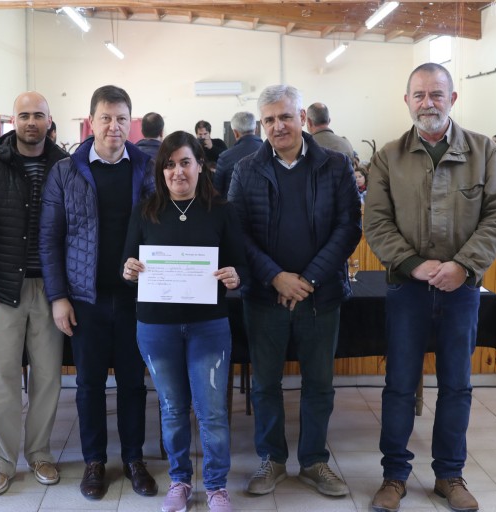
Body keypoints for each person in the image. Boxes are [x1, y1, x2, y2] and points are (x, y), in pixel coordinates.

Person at [364, 63, 496, 512]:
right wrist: (413, 265)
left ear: (452, 99)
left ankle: (449, 475)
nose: (427, 103)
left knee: (456, 386)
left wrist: (464, 267)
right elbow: (376, 221)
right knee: (399, 385)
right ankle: (394, 477)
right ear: (407, 101)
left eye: (436, 94)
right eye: (419, 95)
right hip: (407, 290)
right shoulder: (388, 157)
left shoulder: (485, 152)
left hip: (462, 291)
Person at [228, 84, 361, 498]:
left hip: (321, 296)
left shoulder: (336, 165)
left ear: (302, 118)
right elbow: (237, 233)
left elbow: (348, 227)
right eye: (269, 119)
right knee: (265, 384)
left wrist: (309, 279)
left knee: (319, 384)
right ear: (261, 124)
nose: (278, 126)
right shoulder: (246, 170)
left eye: (285, 116)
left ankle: (314, 461)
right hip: (264, 296)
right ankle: (272, 459)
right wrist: (275, 277)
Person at [40, 85, 158, 501]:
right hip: (84, 299)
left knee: (132, 383)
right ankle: (94, 461)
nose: (114, 126)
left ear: (131, 122)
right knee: (89, 384)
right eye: (106, 118)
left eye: (121, 118)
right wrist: (58, 297)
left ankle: (134, 459)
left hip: (134, 298)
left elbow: (161, 228)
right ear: (91, 121)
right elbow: (49, 238)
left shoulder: (146, 168)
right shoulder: (66, 170)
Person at [122, 130, 246, 512]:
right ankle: (179, 481)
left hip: (208, 326)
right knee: (173, 409)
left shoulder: (221, 211)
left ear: (200, 166)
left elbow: (239, 265)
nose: (177, 171)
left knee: (212, 412)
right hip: (156, 328)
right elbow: (127, 265)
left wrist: (235, 276)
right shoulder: (145, 211)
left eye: (185, 163)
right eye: (170, 164)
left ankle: (216, 486)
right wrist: (128, 270)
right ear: (161, 170)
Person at [0, 92, 68, 496]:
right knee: (2, 376)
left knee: (48, 376)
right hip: (3, 288)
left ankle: (39, 452)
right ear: (13, 120)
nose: (31, 122)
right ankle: (3, 460)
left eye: (38, 115)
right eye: (24, 115)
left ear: (49, 120)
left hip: (52, 288)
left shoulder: (65, 165)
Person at [213, 111, 262, 198]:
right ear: (256, 129)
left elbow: (217, 190)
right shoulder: (273, 152)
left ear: (235, 133)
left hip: (233, 205)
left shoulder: (225, 157)